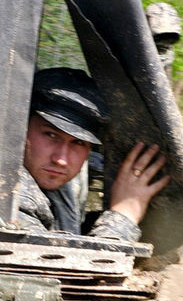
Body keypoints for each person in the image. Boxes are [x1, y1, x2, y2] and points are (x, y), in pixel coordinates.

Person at [18, 67, 170, 241]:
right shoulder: (12, 194)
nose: (61, 159)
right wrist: (124, 215)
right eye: (51, 135)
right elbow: (51, 266)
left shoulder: (49, 188)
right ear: (22, 128)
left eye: (78, 142)